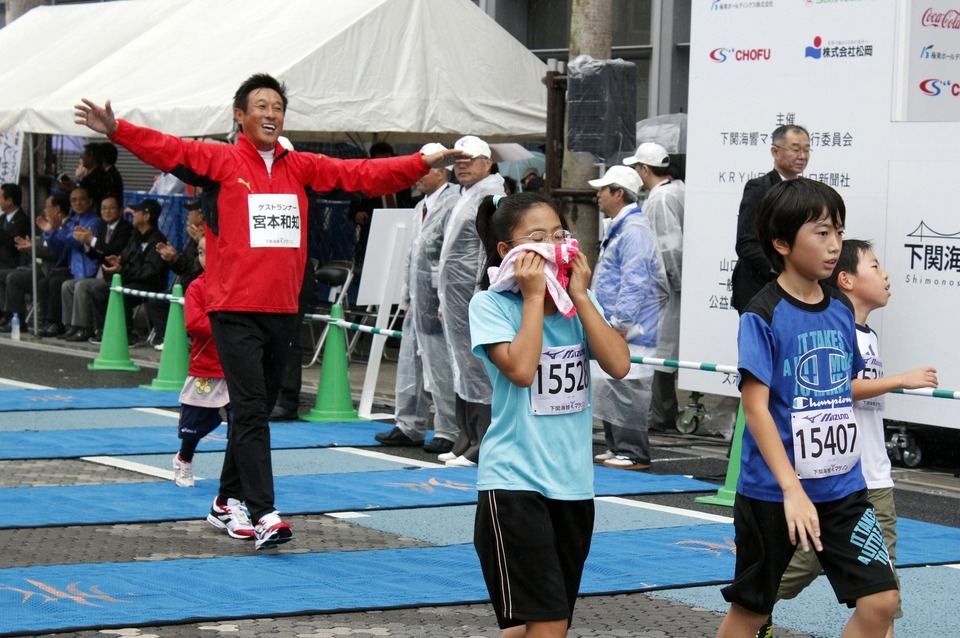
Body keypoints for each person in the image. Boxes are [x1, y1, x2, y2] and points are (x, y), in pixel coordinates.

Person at [75, 73, 464, 550]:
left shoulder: (299, 166)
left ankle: (225, 501)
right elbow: (168, 149)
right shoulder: (220, 161)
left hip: (282, 309)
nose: (270, 113)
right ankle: (264, 512)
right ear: (240, 115)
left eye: (277, 106)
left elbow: (362, 174)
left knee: (252, 411)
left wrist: (420, 161)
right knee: (253, 410)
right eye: (260, 105)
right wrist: (118, 130)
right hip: (233, 308)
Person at [716, 178, 900, 638]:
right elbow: (755, 408)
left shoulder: (840, 308)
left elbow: (843, 387)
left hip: (843, 488)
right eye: (821, 232)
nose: (835, 244)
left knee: (881, 600)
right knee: (752, 612)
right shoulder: (762, 313)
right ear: (781, 242)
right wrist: (792, 488)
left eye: (838, 231)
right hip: (772, 494)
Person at [469, 192, 630, 637]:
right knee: (549, 620)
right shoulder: (491, 305)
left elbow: (618, 364)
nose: (553, 246)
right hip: (514, 484)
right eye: (537, 238)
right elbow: (521, 369)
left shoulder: (576, 304)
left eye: (560, 235)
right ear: (508, 252)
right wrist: (535, 296)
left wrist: (578, 293)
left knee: (528, 625)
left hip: (574, 485)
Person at [774, 238, 938, 638]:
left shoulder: (867, 334)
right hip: (839, 479)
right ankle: (753, 611)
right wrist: (899, 380)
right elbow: (831, 388)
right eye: (876, 266)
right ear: (846, 279)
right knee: (789, 574)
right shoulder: (832, 325)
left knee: (884, 595)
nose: (886, 276)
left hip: (873, 479)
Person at [376, 143, 460, 456]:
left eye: (425, 170)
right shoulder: (421, 206)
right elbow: (413, 255)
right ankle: (408, 424)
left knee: (440, 366)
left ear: (441, 173)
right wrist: (406, 297)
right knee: (410, 364)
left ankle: (448, 428)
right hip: (418, 295)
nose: (417, 177)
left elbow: (447, 257)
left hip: (437, 299)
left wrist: (442, 300)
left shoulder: (453, 203)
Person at [588, 166, 667, 471]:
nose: (597, 195)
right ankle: (616, 446)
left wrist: (621, 323)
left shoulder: (633, 231)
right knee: (612, 385)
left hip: (630, 329)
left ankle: (634, 452)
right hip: (616, 326)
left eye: (603, 189)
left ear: (618, 193)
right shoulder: (622, 227)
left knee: (627, 387)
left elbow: (635, 281)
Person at [437, 135, 506, 467]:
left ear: (488, 163)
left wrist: (483, 294)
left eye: (470, 159)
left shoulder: (492, 196)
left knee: (478, 367)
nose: (462, 165)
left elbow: (489, 252)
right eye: (458, 160)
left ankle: (483, 439)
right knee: (461, 364)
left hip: (473, 295)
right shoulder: (467, 195)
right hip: (454, 297)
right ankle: (466, 436)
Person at [625, 142, 685, 432]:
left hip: (665, 288)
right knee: (665, 351)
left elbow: (669, 247)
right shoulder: (678, 191)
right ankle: (662, 414)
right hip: (671, 287)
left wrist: (674, 284)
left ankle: (662, 416)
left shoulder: (660, 199)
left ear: (644, 170)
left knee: (660, 352)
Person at [173, 236, 238, 496]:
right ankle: (184, 459)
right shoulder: (196, 288)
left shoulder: (235, 283)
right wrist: (227, 327)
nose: (204, 257)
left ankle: (236, 472)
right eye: (200, 252)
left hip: (235, 365)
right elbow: (194, 323)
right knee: (195, 422)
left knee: (240, 421)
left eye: (209, 251)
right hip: (207, 366)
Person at [731, 124, 810, 314]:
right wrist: (784, 270)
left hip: (794, 288)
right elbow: (746, 244)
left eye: (807, 149)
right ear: (775, 151)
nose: (802, 156)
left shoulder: (806, 191)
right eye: (795, 149)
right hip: (759, 287)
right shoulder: (760, 188)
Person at [86, 198, 169, 346]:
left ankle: (129, 335)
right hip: (131, 280)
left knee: (121, 293)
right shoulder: (135, 236)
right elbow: (125, 256)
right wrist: (117, 261)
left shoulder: (157, 240)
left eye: (136, 212)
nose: (133, 214)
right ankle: (103, 330)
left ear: (146, 216)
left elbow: (149, 272)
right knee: (98, 291)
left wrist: (122, 269)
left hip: (150, 285)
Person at [60, 192, 133, 343]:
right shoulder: (103, 227)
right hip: (100, 274)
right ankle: (69, 326)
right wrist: (87, 243)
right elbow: (95, 254)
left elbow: (113, 250)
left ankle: (83, 327)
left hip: (114, 276)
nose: (106, 212)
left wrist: (91, 240)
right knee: (67, 285)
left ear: (120, 210)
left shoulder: (125, 228)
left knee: (82, 285)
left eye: (110, 208)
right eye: (103, 208)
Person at [0, 195, 71, 333]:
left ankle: (19, 321)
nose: (44, 210)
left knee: (14, 278)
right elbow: (45, 247)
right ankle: (7, 316)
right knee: (4, 275)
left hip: (54, 271)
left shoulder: (66, 227)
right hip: (40, 268)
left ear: (57, 209)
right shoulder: (52, 226)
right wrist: (30, 247)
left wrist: (32, 248)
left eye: (47, 207)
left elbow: (54, 253)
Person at [39, 186, 103, 337]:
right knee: (48, 282)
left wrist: (60, 229)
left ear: (90, 201)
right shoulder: (72, 220)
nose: (77, 203)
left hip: (90, 270)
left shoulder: (95, 221)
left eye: (82, 199)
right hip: (75, 270)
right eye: (74, 200)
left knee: (58, 283)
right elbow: (58, 247)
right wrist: (50, 232)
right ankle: (66, 325)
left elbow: (79, 244)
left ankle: (80, 326)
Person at [0, 183, 30, 272]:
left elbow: (14, 243)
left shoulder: (22, 220)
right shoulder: (2, 218)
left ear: (9, 201)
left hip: (12, 265)